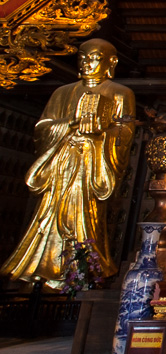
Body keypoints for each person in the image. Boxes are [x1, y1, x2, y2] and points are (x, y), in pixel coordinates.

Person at [1, 39, 135, 289]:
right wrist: (71, 125)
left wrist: (100, 134)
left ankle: (83, 271)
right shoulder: (61, 93)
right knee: (47, 218)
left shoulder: (120, 93)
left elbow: (125, 133)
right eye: (82, 57)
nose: (86, 63)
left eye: (93, 57)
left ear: (111, 63)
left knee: (86, 218)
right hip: (60, 165)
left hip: (91, 167)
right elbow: (42, 128)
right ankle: (39, 272)